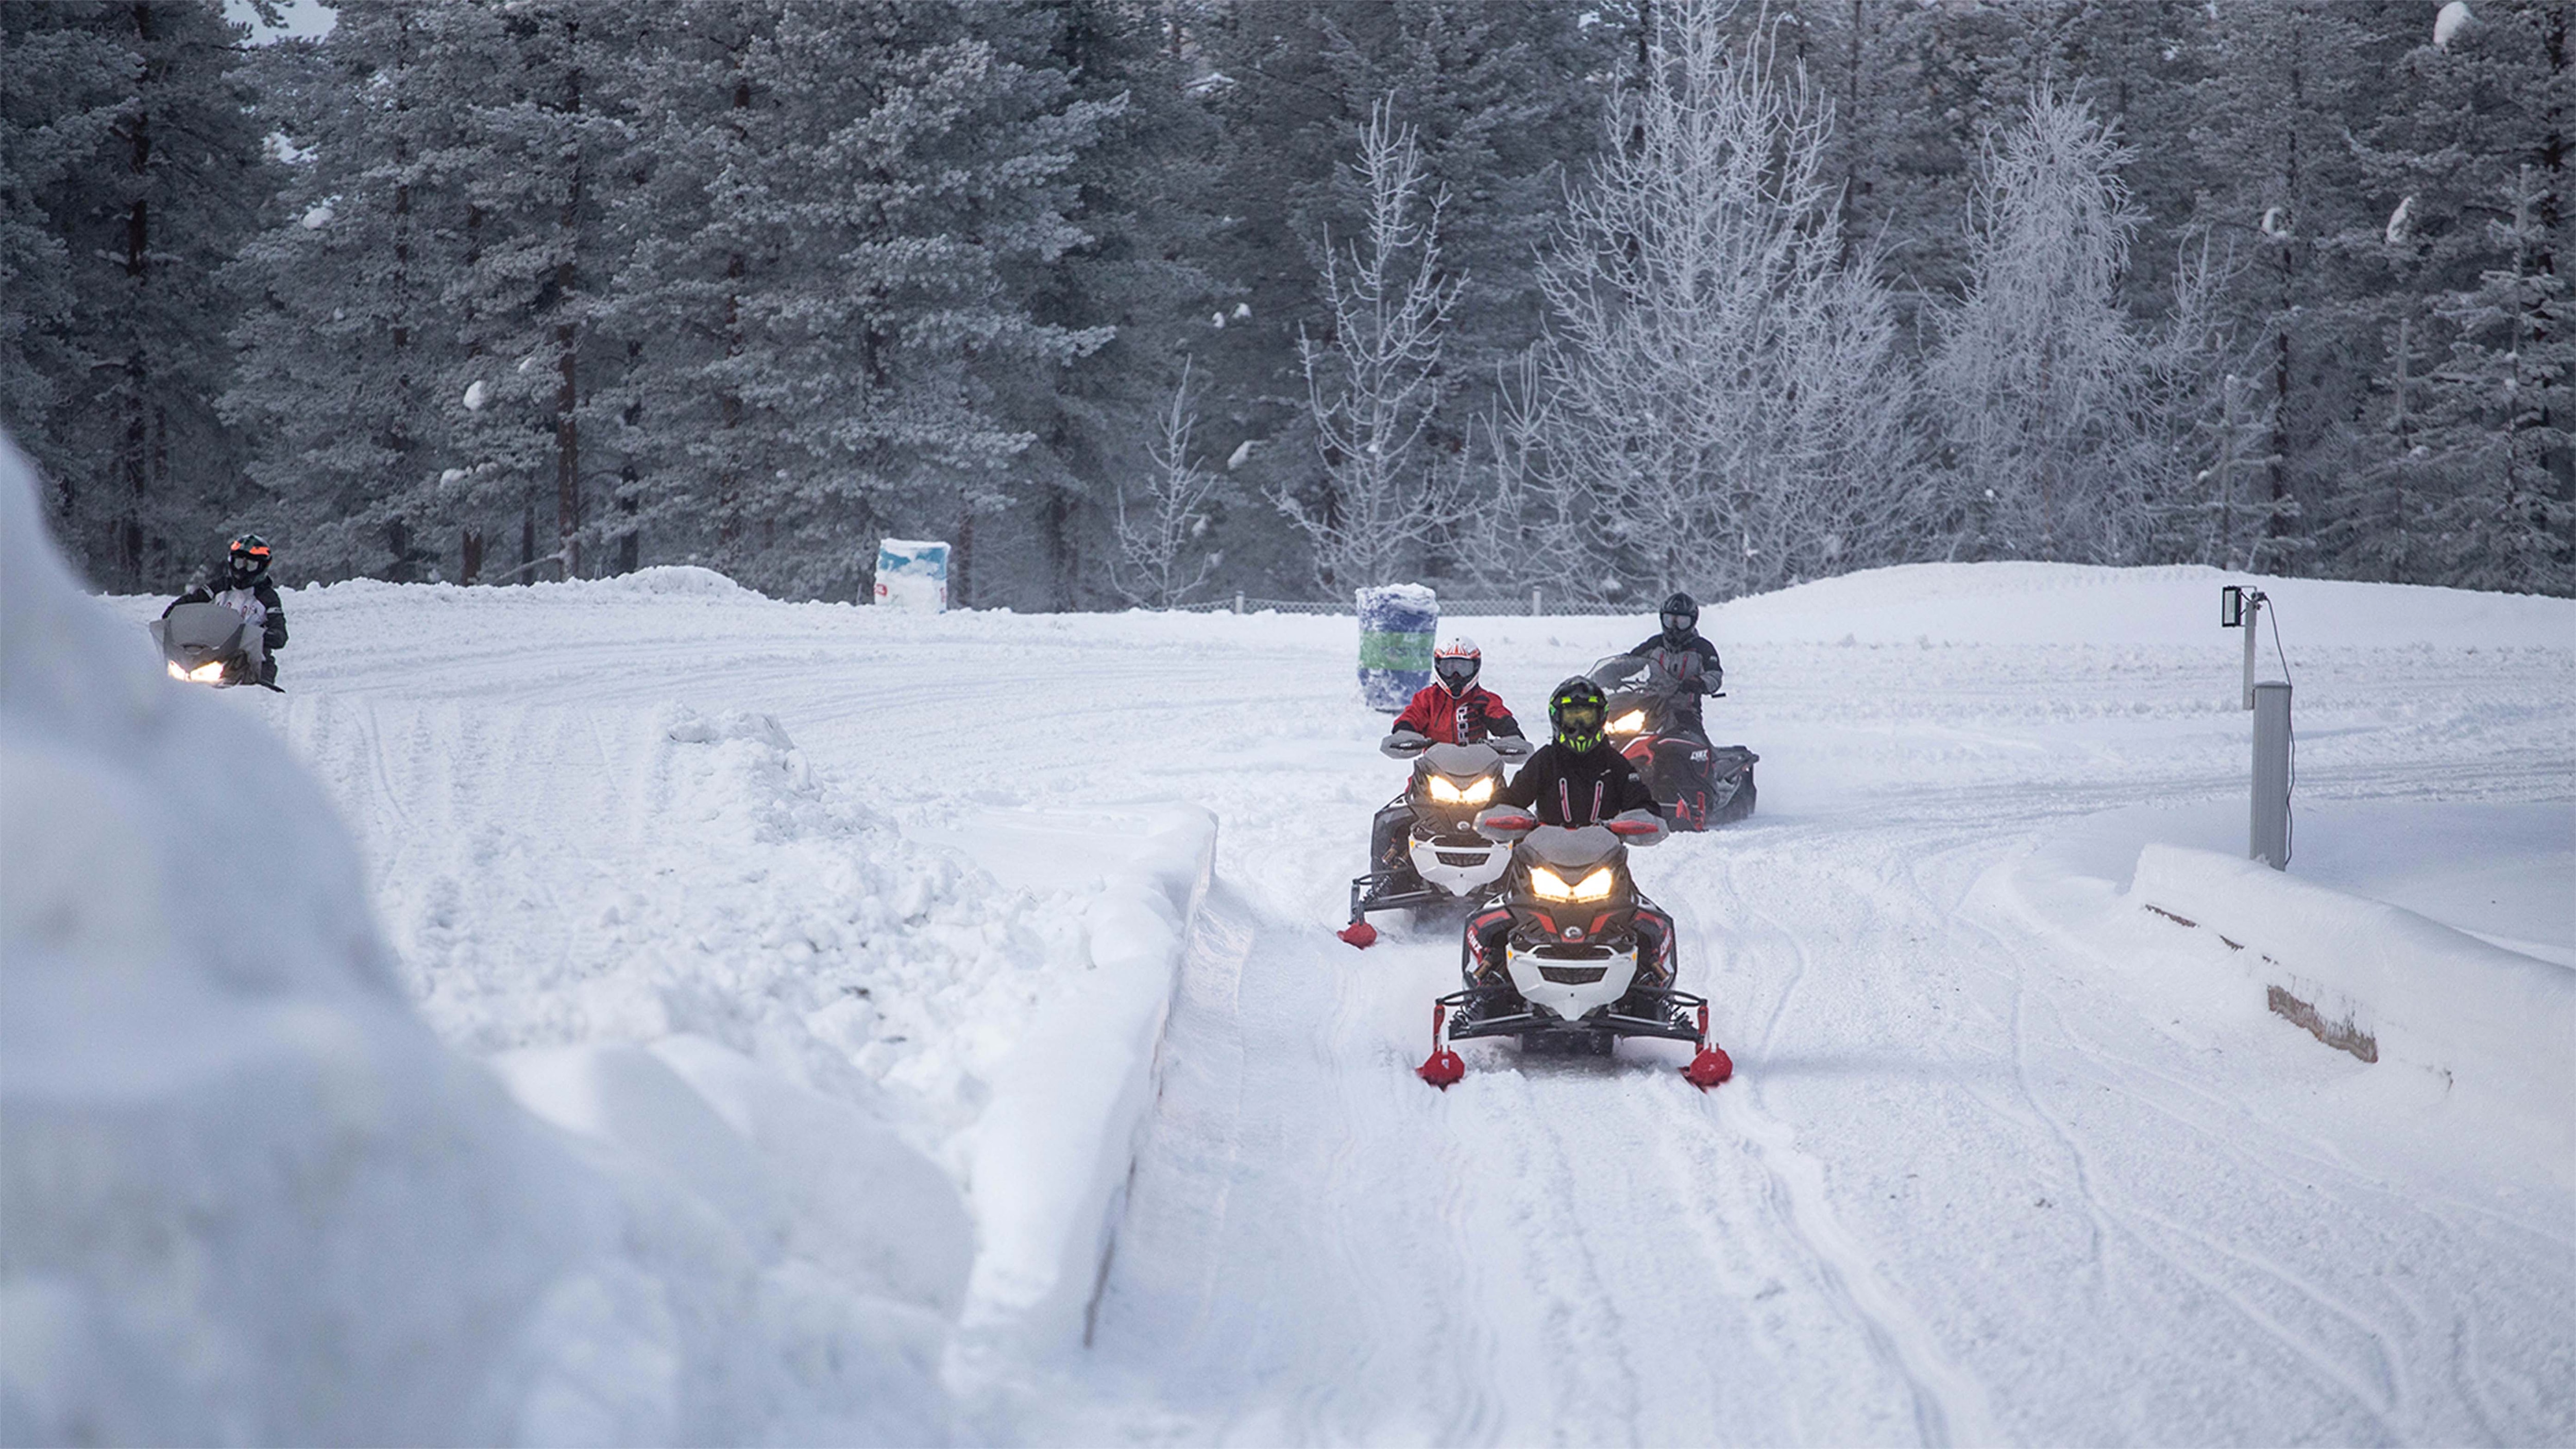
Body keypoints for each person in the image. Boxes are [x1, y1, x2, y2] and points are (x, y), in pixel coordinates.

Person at [1464, 677, 1674, 992]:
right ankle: (1485, 982)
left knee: (1651, 925)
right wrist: (1505, 819)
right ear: (1557, 719)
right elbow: (1507, 801)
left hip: (1602, 864)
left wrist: (1638, 822)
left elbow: (1643, 804)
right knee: (1489, 922)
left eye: (1586, 718)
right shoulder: (1544, 761)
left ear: (1600, 719)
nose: (1579, 728)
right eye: (1572, 718)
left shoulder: (1616, 765)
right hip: (1541, 862)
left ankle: (1653, 986)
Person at [1369, 638, 1523, 880]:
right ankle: (1385, 880)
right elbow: (1411, 718)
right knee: (1389, 821)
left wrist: (1511, 736)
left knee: (1519, 823)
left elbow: (1501, 718)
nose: (1455, 676)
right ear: (1438, 666)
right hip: (1433, 778)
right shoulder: (1427, 699)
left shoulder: (1485, 700)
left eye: (1462, 668)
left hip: (1481, 777)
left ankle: (1521, 878)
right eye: (1449, 667)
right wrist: (1404, 734)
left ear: (1475, 667)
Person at [165, 534, 286, 686]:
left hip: (250, 662)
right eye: (239, 563)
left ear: (262, 567)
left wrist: (264, 636)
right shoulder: (220, 587)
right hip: (212, 651)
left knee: (259, 690)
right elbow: (190, 600)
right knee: (172, 677)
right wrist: (173, 615)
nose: (243, 569)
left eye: (250, 565)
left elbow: (280, 633)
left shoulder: (268, 598)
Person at [1624, 590, 1722, 740]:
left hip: (1684, 709)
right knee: (1620, 734)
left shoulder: (1702, 648)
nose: (1674, 627)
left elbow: (1714, 675)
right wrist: (1609, 674)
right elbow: (1630, 662)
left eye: (1682, 622)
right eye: (1670, 620)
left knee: (1695, 746)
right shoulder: (1655, 644)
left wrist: (1699, 683)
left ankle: (1705, 761)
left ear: (1692, 622)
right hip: (1650, 705)